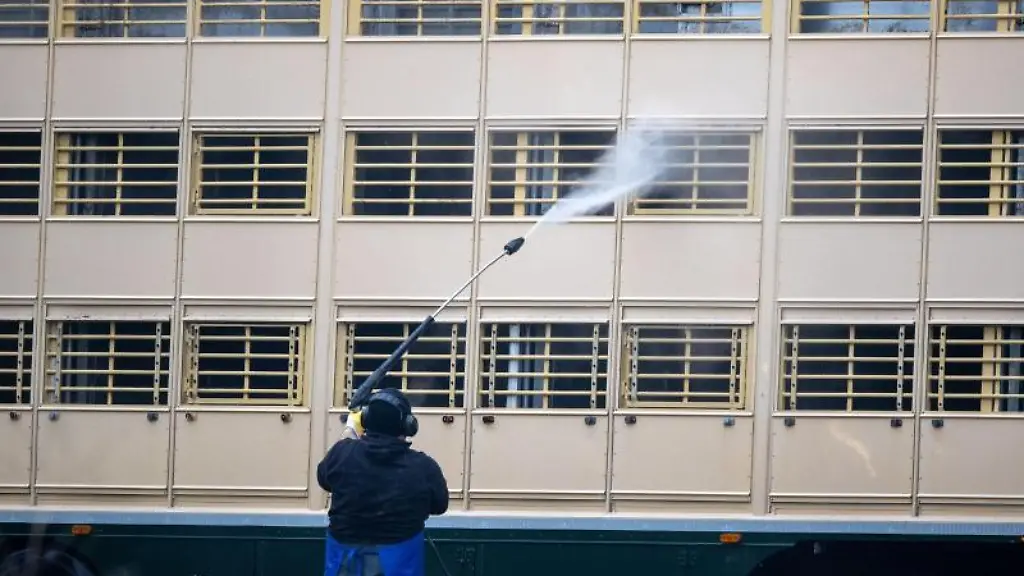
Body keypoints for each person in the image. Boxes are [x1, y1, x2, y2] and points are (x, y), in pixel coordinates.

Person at [316, 387, 449, 576]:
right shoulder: (423, 467)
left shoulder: (342, 454)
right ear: (409, 425)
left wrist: (350, 429)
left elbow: (324, 477)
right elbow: (439, 506)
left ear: (366, 420)